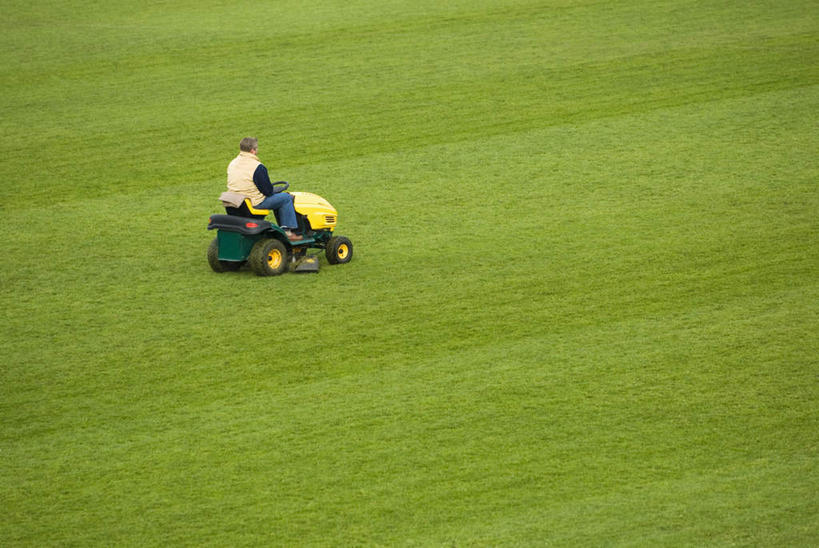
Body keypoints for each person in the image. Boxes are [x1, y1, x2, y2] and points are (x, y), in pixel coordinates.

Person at [226, 137, 301, 241]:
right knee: (285, 198)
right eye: (256, 149)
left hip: (235, 201)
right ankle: (288, 232)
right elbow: (267, 191)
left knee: (278, 198)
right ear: (252, 150)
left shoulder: (232, 163)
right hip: (252, 202)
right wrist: (275, 190)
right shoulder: (257, 167)